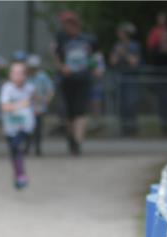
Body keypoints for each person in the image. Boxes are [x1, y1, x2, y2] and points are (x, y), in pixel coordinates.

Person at [50, 10, 102, 155]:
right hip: (67, 80)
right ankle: (71, 138)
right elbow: (55, 55)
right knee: (69, 114)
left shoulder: (88, 39)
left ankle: (78, 142)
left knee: (81, 111)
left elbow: (97, 55)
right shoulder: (61, 39)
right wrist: (61, 67)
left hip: (83, 78)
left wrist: (98, 68)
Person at [0, 60, 36, 189]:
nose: (17, 76)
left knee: (18, 147)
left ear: (25, 75)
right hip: (11, 127)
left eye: (20, 73)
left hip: (25, 127)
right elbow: (4, 107)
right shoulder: (7, 89)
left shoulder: (30, 88)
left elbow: (36, 102)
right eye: (14, 73)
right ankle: (19, 174)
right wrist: (21, 105)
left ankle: (20, 174)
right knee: (14, 150)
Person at [110, 22, 142, 136]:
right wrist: (118, 54)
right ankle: (124, 128)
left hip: (130, 77)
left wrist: (124, 53)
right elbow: (112, 62)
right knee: (121, 104)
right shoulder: (117, 46)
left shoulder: (134, 46)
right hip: (120, 77)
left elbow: (134, 62)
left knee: (131, 102)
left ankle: (133, 127)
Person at [25, 54, 53, 156]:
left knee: (38, 128)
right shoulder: (25, 76)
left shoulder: (42, 76)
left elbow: (50, 90)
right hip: (27, 106)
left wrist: (46, 101)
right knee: (27, 127)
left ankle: (38, 148)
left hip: (39, 105)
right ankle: (27, 146)